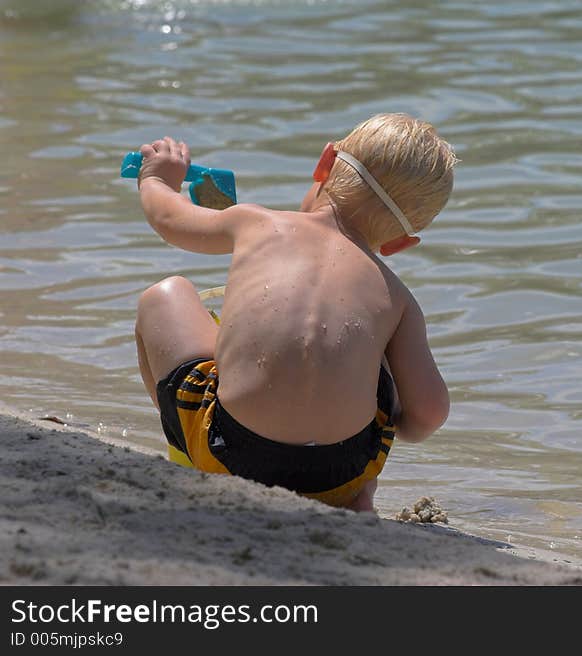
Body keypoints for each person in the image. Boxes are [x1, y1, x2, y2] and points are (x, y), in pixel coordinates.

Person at [133, 113, 456, 512]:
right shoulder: (397, 298)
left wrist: (157, 179)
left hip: (229, 455)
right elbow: (430, 412)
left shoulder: (256, 222)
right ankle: (359, 499)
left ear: (324, 162)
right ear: (400, 244)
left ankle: (187, 459)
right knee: (376, 359)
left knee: (165, 295)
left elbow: (168, 218)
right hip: (341, 474)